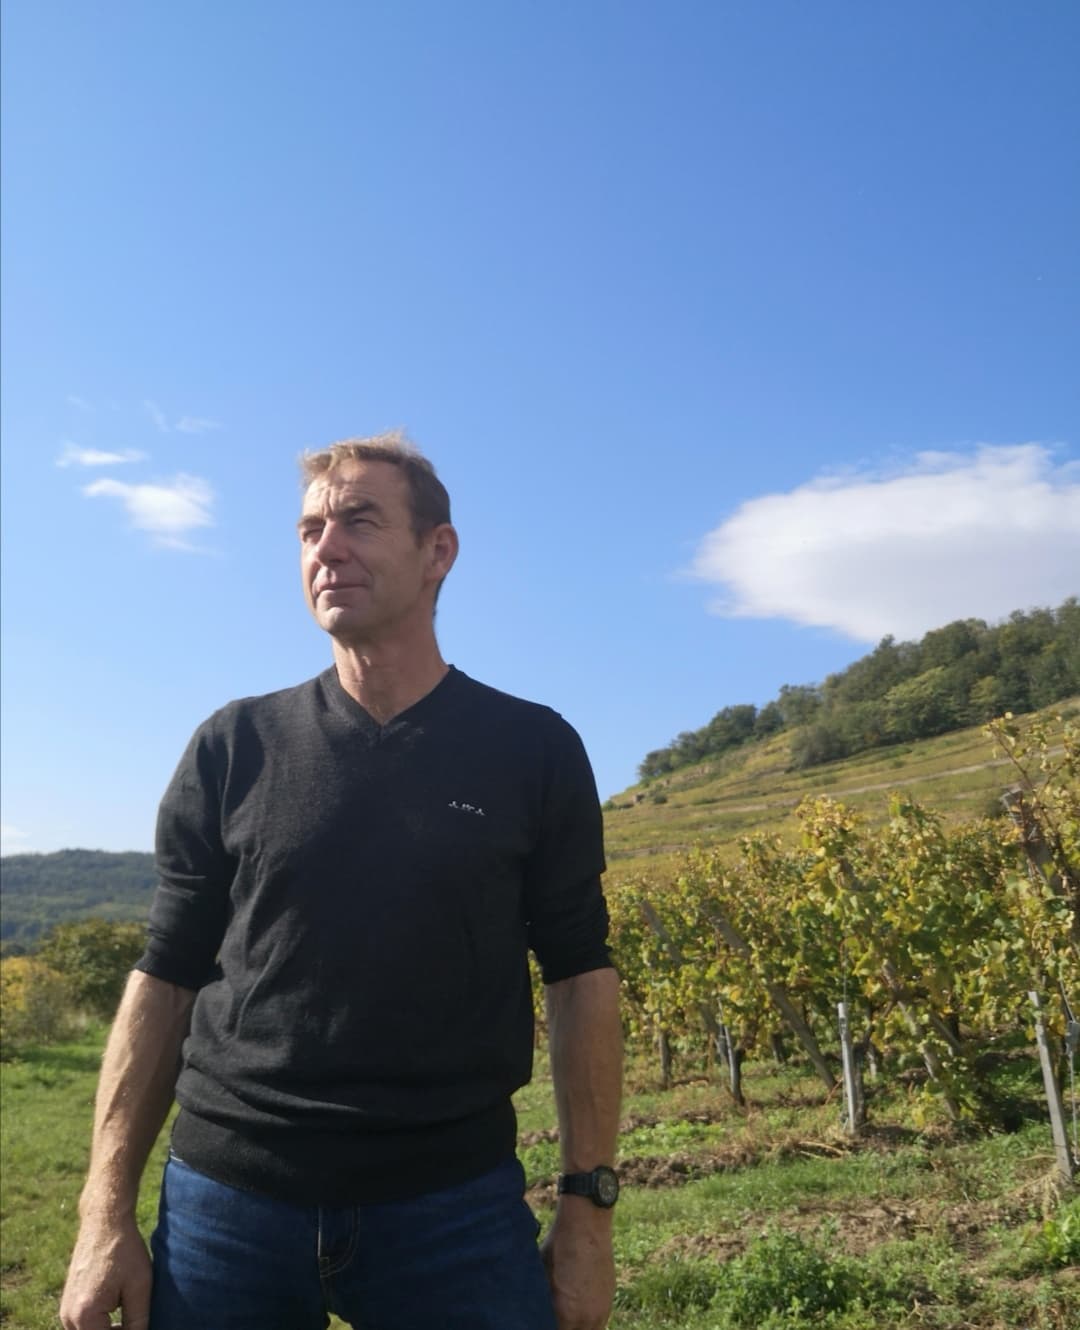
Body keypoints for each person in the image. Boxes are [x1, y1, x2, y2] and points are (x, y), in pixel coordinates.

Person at [59, 433, 622, 1330]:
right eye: (310, 529)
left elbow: (580, 974)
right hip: (226, 1206)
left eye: (359, 520)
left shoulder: (533, 749)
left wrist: (588, 1210)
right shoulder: (234, 745)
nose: (327, 547)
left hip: (456, 1211)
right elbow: (165, 976)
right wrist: (103, 1213)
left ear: (438, 551)